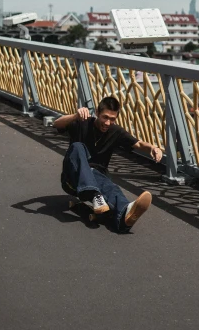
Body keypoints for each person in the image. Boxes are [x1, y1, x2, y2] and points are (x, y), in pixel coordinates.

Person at [54, 96, 163, 232]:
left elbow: (139, 143)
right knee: (77, 147)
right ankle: (95, 195)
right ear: (97, 113)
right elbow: (56, 124)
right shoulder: (82, 123)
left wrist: (153, 148)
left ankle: (124, 216)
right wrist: (75, 115)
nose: (107, 123)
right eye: (105, 117)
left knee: (109, 186)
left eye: (112, 119)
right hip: (72, 180)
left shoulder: (115, 132)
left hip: (97, 178)